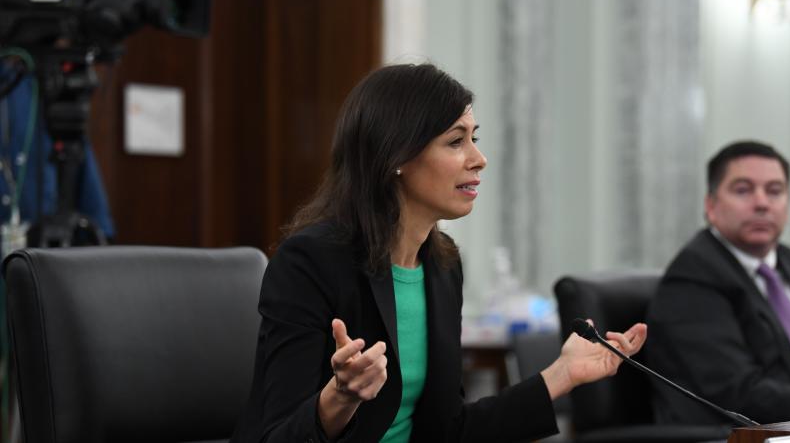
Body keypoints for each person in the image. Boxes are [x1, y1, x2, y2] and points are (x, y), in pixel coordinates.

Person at [231, 63, 647, 442]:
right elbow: (278, 436)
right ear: (396, 155)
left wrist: (563, 374)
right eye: (455, 141)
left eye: (474, 138)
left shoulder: (442, 265)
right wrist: (341, 397)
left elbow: (449, 430)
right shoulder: (309, 263)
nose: (479, 159)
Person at [647, 140, 790, 425]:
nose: (762, 203)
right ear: (711, 205)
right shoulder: (692, 279)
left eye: (775, 191)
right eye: (743, 190)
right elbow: (738, 395)